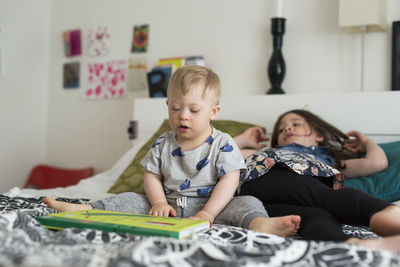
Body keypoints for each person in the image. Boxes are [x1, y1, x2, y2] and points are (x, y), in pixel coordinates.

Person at [43, 65, 301, 237]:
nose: (183, 116)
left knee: (247, 203)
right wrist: (157, 202)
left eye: (193, 110)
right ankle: (86, 208)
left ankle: (260, 224)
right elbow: (152, 176)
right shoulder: (162, 143)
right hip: (168, 206)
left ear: (213, 112)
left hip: (213, 207)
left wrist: (209, 213)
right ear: (168, 106)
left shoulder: (223, 143)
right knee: (130, 199)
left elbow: (230, 178)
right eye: (175, 108)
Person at [234, 109, 400, 252]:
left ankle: (350, 246)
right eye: (281, 129)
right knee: (331, 197)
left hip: (265, 208)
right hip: (264, 179)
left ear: (319, 135)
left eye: (296, 124)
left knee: (314, 217)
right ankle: (387, 215)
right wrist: (242, 140)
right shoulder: (268, 152)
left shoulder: (329, 162)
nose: (287, 129)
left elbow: (377, 162)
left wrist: (365, 141)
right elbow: (218, 153)